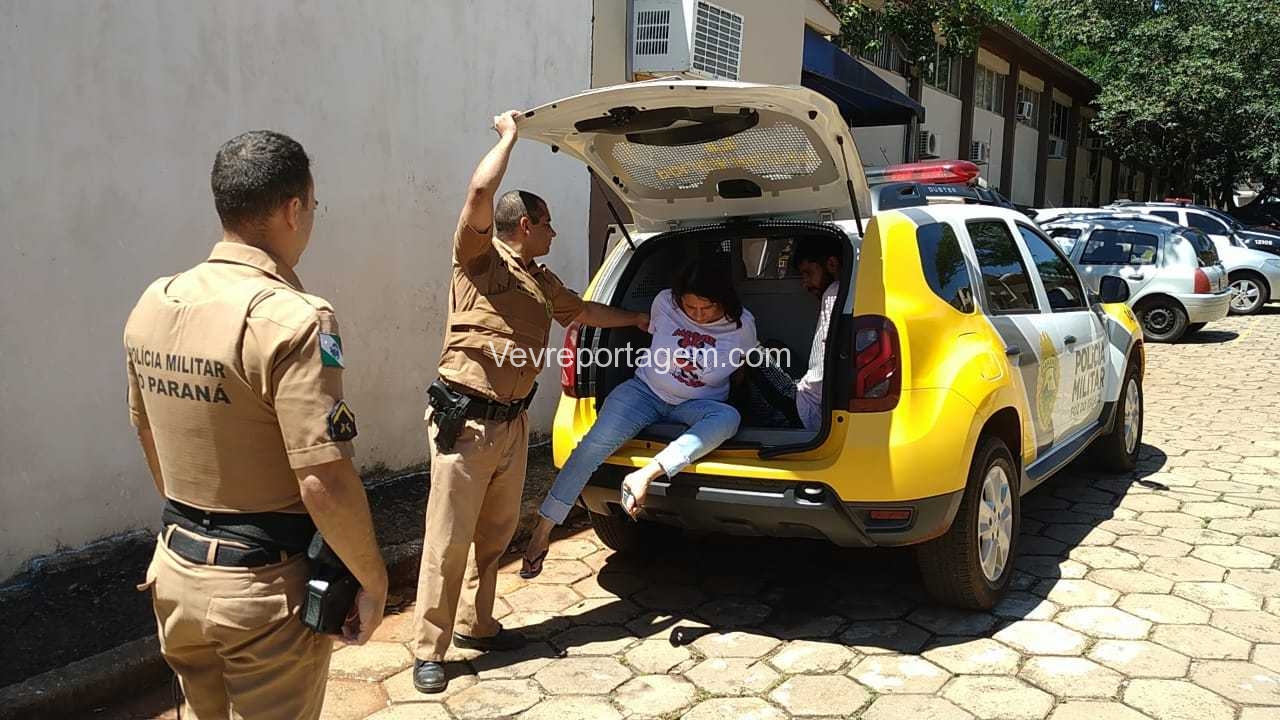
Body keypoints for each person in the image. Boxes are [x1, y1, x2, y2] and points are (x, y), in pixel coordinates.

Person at [124, 130, 386, 720]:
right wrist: (373, 579)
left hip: (175, 572)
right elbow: (323, 479)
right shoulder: (294, 318)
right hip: (262, 594)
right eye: (313, 206)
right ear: (293, 209)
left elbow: (147, 434)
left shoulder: (154, 302)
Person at [412, 111, 648, 694]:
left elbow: (583, 312)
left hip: (511, 423)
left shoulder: (538, 279)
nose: (553, 234)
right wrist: (510, 138)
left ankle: (477, 624)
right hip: (467, 420)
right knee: (448, 538)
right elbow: (479, 194)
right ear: (524, 224)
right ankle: (428, 649)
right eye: (548, 225)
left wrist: (638, 319)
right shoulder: (479, 259)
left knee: (494, 535)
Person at [520, 258, 757, 578]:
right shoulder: (664, 304)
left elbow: (742, 370)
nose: (699, 315)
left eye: (708, 308)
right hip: (644, 393)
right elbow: (640, 324)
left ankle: (645, 475)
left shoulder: (743, 326)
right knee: (589, 448)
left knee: (728, 418)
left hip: (698, 404)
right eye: (690, 307)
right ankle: (542, 532)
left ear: (724, 299)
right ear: (678, 299)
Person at [750, 237, 842, 432]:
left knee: (750, 351)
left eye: (808, 273)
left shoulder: (833, 295)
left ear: (832, 264)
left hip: (805, 406)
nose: (805, 283)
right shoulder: (846, 293)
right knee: (774, 347)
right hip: (812, 396)